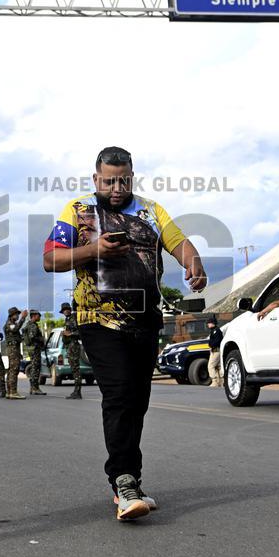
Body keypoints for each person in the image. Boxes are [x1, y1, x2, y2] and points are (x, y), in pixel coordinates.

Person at [43, 145, 207, 521]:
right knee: (118, 394)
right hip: (97, 319)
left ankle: (128, 479)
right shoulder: (78, 210)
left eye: (124, 180)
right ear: (95, 179)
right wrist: (93, 249)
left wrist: (194, 265)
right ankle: (123, 479)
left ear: (132, 177)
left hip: (145, 319)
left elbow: (180, 243)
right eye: (109, 180)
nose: (116, 188)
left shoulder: (150, 210)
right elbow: (51, 260)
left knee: (137, 400)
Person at [59, 302, 84, 400]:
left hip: (74, 345)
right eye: (64, 310)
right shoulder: (67, 319)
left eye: (67, 309)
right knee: (74, 369)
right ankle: (76, 391)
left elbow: (80, 332)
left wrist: (70, 334)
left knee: (76, 369)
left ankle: (77, 392)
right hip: (69, 346)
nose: (66, 311)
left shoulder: (74, 318)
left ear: (69, 309)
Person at [3, 306, 27, 399]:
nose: (18, 316)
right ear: (12, 315)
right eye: (16, 314)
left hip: (14, 348)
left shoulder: (11, 323)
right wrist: (23, 318)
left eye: (18, 314)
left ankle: (9, 392)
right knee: (14, 370)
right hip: (12, 349)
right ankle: (13, 391)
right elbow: (15, 329)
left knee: (12, 370)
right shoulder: (10, 324)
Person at [22, 309, 47, 395]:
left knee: (34, 367)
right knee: (36, 368)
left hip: (31, 349)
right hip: (35, 349)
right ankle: (35, 388)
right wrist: (41, 339)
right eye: (38, 315)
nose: (39, 317)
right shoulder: (32, 325)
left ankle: (32, 388)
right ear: (34, 316)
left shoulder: (28, 325)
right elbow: (32, 337)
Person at [206, 319, 224, 388]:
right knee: (218, 366)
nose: (208, 324)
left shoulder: (216, 331)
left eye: (209, 323)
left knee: (211, 366)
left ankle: (215, 381)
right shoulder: (214, 330)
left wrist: (211, 345)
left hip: (216, 351)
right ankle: (221, 382)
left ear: (213, 323)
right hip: (217, 350)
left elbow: (216, 341)